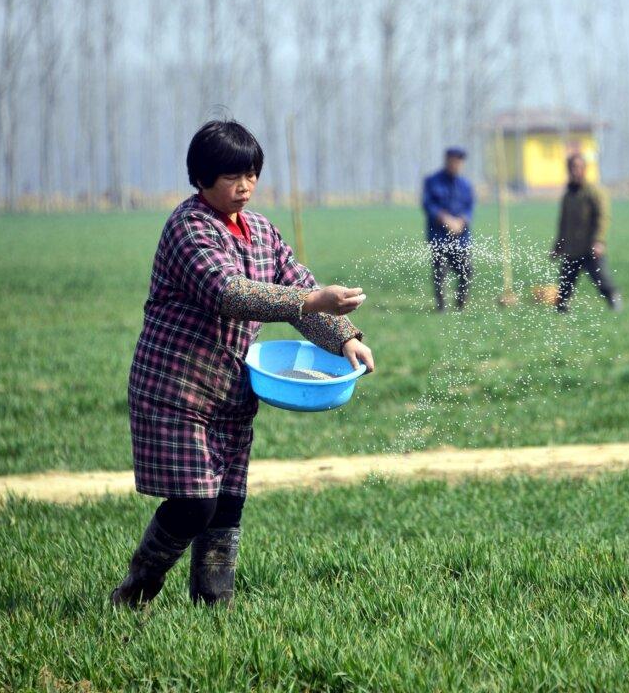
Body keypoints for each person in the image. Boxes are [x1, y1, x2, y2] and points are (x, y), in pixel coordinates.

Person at [112, 120, 374, 608]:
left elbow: (297, 285)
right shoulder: (189, 228)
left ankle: (215, 610)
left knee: (228, 507)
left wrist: (345, 339)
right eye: (232, 175)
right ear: (201, 177)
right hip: (177, 388)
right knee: (195, 503)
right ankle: (135, 590)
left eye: (252, 174)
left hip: (232, 392)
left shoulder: (262, 231)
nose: (245, 185)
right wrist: (312, 299)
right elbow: (229, 293)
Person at [551, 152, 621, 312]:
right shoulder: (568, 195)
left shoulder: (594, 192)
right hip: (572, 249)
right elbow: (563, 223)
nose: (574, 171)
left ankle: (615, 303)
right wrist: (558, 245)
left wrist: (599, 241)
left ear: (584, 169)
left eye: (578, 167)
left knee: (602, 280)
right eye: (571, 167)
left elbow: (603, 217)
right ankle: (562, 311)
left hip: (590, 248)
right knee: (565, 284)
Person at [421, 147, 475, 311]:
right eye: (454, 161)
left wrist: (461, 221)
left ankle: (460, 305)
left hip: (461, 238)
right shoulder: (432, 181)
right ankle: (441, 308)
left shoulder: (466, 185)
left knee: (466, 270)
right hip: (439, 237)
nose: (456, 165)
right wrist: (445, 219)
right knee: (440, 273)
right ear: (447, 161)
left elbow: (469, 208)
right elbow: (428, 205)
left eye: (459, 162)